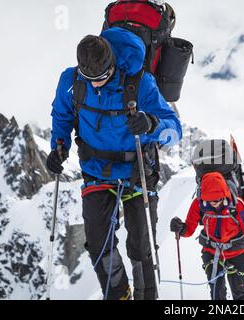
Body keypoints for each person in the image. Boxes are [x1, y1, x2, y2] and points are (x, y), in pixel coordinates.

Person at [46, 27, 182, 300]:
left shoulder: (140, 83)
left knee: (141, 246)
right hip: (96, 171)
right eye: (89, 78)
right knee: (98, 243)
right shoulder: (71, 81)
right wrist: (58, 149)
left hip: (137, 170)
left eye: (102, 77)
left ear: (112, 65)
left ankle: (147, 296)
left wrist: (151, 123)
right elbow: (61, 117)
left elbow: (174, 130)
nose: (95, 84)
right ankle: (119, 294)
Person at [170, 172, 244, 300]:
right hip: (212, 253)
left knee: (239, 294)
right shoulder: (198, 204)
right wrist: (179, 228)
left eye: (218, 199)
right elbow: (188, 229)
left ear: (224, 194)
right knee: (216, 295)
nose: (214, 203)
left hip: (237, 253)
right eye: (210, 200)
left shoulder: (238, 204)